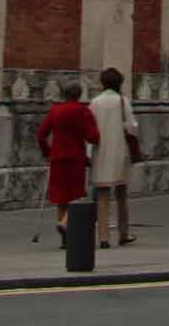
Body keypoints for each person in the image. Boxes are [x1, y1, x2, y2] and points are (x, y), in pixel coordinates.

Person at [37, 82, 99, 244]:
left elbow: (41, 133)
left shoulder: (55, 111)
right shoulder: (83, 111)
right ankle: (65, 224)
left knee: (61, 198)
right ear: (79, 95)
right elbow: (93, 136)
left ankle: (64, 236)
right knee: (76, 197)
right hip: (75, 159)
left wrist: (47, 152)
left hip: (57, 158)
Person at [89, 66, 140, 249]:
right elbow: (132, 126)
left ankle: (103, 237)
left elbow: (90, 128)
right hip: (120, 151)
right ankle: (124, 233)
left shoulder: (95, 102)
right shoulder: (122, 101)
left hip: (101, 152)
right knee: (121, 193)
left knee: (102, 195)